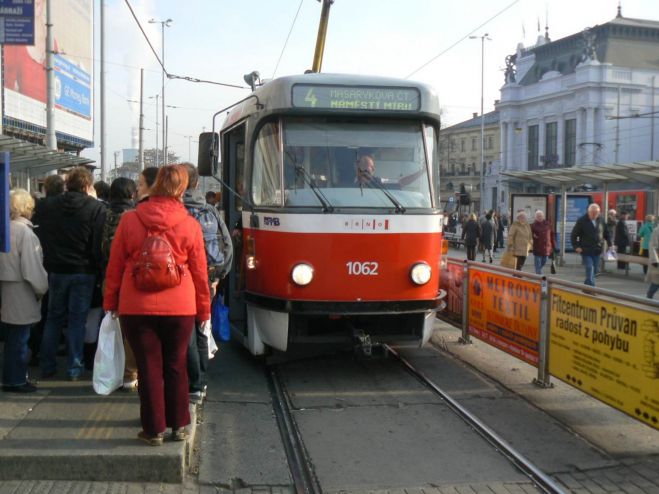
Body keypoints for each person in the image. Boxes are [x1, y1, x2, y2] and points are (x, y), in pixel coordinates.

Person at [103, 165, 211, 446]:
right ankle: (179, 425)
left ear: (155, 186)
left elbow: (114, 266)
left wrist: (110, 301)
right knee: (176, 364)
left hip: (136, 307)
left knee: (148, 367)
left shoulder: (130, 220)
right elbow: (200, 272)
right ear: (182, 189)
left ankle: (153, 430)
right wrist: (204, 309)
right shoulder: (190, 225)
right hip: (180, 306)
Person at [37, 167, 106, 381]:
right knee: (78, 320)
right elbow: (97, 243)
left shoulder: (48, 205)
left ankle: (46, 365)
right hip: (83, 270)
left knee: (53, 317)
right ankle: (74, 368)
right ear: (87, 185)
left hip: (55, 269)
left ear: (67, 183)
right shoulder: (96, 208)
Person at [181, 163, 233, 405]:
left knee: (184, 332)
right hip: (208, 279)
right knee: (202, 328)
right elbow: (227, 246)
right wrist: (218, 278)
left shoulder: (177, 211)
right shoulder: (210, 211)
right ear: (198, 184)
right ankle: (200, 383)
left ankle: (188, 382)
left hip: (180, 281)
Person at [0, 189, 49, 392]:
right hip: (21, 289)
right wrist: (42, 289)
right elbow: (32, 268)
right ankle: (16, 380)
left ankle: (12, 378)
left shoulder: (5, 229)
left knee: (11, 337)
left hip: (6, 288)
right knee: (20, 339)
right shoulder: (25, 233)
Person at [95, 177, 138, 390]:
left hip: (106, 275)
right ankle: (129, 373)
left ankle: (111, 369)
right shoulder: (133, 217)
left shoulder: (102, 214)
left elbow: (95, 246)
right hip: (128, 278)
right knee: (130, 327)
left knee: (112, 325)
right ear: (132, 194)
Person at [571, 203, 611, 287]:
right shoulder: (581, 221)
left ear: (599, 213)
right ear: (588, 212)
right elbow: (574, 235)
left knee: (595, 269)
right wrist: (576, 246)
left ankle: (586, 286)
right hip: (585, 249)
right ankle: (591, 287)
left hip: (597, 249)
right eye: (592, 213)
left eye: (596, 213)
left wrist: (610, 244)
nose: (594, 215)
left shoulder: (601, 220)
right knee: (590, 267)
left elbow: (606, 233)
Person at [531, 210, 556, 275]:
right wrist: (533, 236)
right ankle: (539, 276)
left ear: (543, 216)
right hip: (537, 247)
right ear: (535, 217)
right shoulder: (533, 225)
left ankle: (538, 271)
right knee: (538, 263)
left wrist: (554, 245)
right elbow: (529, 235)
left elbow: (552, 235)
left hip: (546, 247)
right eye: (538, 216)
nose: (540, 217)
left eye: (541, 216)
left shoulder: (548, 224)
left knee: (544, 260)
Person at [646, 223, 659, 299]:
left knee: (656, 283)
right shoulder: (656, 231)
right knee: (655, 283)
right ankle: (649, 298)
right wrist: (655, 261)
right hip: (657, 261)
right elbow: (653, 246)